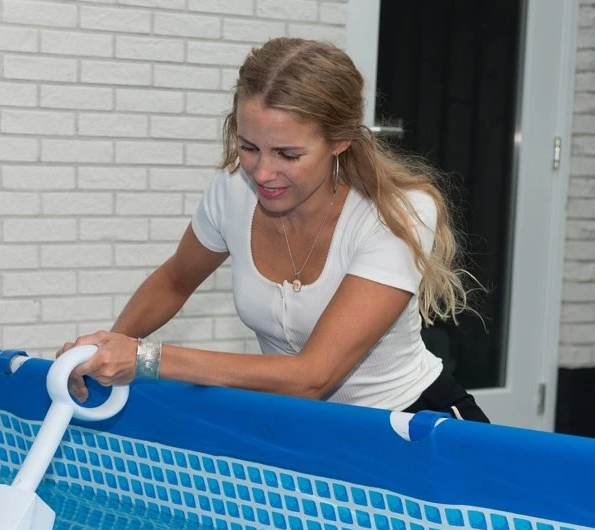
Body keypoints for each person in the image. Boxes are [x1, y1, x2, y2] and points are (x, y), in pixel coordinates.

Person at [58, 36, 488, 423]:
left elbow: (312, 376)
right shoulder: (232, 190)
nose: (262, 173)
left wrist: (145, 358)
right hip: (300, 422)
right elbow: (175, 279)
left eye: (288, 154)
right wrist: (106, 349)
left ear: (340, 141)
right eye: (249, 147)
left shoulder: (397, 213)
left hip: (410, 421)